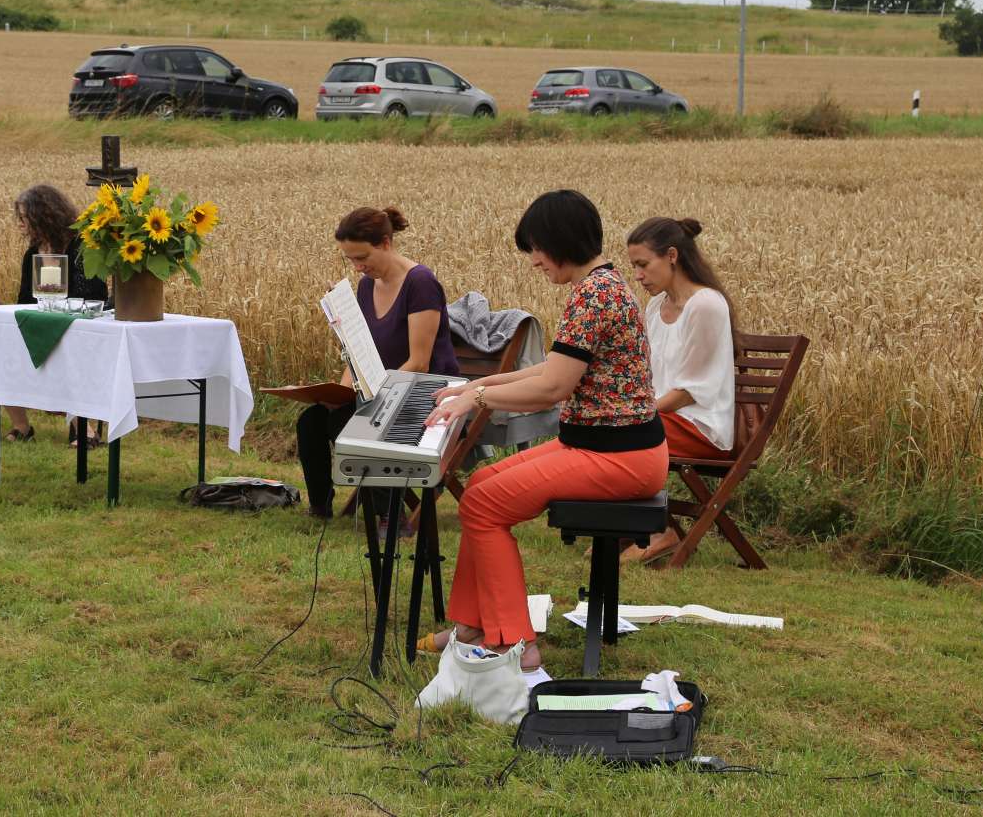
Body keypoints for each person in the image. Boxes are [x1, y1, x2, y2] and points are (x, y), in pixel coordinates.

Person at [422, 190, 667, 670]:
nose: (533, 260)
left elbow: (552, 388)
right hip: (605, 448)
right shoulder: (599, 286)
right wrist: (482, 383)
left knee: (486, 504)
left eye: (536, 248)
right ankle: (473, 624)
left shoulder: (595, 296)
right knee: (481, 485)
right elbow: (551, 370)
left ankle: (515, 643)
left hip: (620, 460)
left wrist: (478, 399)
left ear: (559, 241)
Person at [296, 206, 461, 519]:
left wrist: (371, 395)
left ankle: (390, 515)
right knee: (313, 420)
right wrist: (339, 395)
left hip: (423, 395)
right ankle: (320, 507)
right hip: (381, 391)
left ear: (386, 243)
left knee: (355, 423)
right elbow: (359, 351)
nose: (358, 267)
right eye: (351, 260)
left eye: (363, 258)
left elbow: (419, 363)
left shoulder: (420, 283)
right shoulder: (367, 286)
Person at [623, 216, 738, 562]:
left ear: (672, 255)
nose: (638, 275)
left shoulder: (705, 305)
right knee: (606, 427)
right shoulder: (656, 307)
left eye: (644, 265)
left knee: (619, 432)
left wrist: (636, 413)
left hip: (700, 425)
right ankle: (630, 528)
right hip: (664, 418)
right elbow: (645, 372)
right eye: (634, 267)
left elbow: (690, 390)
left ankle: (658, 530)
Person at [3, 184, 110, 443]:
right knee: (4, 347)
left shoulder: (81, 247)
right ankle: (22, 425)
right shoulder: (32, 253)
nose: (20, 224)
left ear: (44, 216)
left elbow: (95, 293)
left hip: (80, 324)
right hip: (42, 320)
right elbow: (24, 300)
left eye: (24, 218)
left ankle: (82, 427)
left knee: (65, 350)